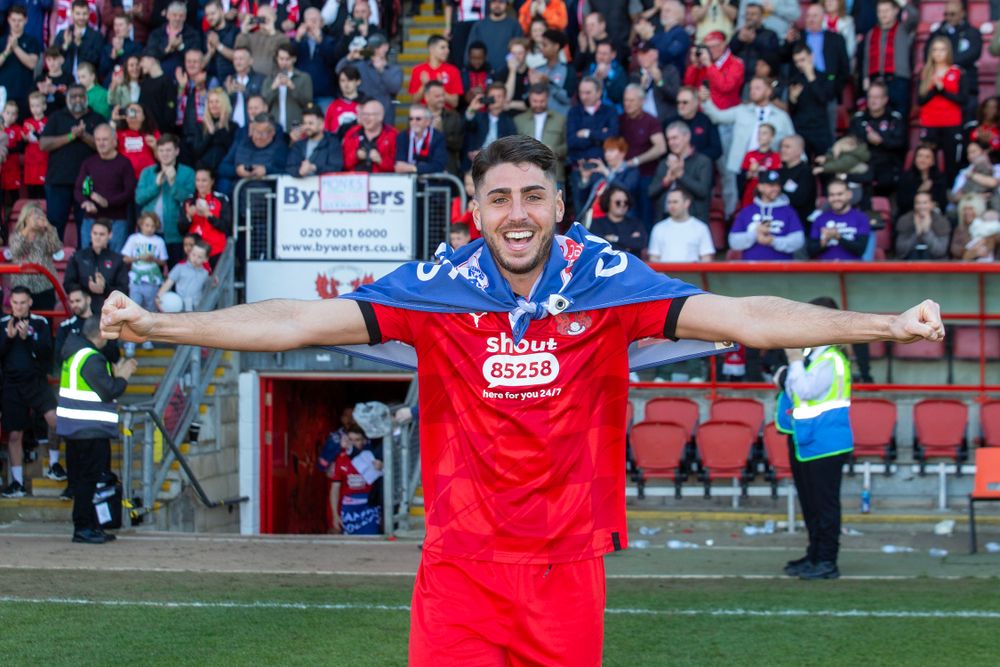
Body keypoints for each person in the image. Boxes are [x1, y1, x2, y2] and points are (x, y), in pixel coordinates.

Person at [100, 135, 946, 665]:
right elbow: (294, 319)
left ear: (560, 207)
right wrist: (165, 324)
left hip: (567, 565)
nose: (517, 212)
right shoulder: (437, 286)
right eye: (499, 196)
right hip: (460, 566)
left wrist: (885, 321)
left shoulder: (606, 280)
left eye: (533, 195)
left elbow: (746, 315)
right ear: (473, 209)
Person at [778, 296, 854, 580]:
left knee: (824, 504)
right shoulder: (816, 355)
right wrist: (793, 367)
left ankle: (826, 560)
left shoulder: (830, 358)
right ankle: (814, 554)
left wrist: (793, 362)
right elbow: (786, 382)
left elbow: (805, 390)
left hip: (826, 442)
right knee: (810, 502)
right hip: (809, 440)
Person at [57, 317, 136, 543]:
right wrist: (122, 376)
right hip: (89, 429)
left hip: (77, 428)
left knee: (84, 480)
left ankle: (89, 525)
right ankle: (83, 528)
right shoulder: (90, 357)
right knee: (87, 481)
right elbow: (108, 390)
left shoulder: (76, 353)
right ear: (101, 334)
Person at [700, 76, 791, 218]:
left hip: (770, 166)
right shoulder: (741, 110)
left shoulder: (781, 116)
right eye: (751, 88)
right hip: (741, 166)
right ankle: (733, 228)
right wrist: (706, 101)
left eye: (757, 88)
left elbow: (791, 140)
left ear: (768, 91)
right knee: (737, 205)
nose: (752, 91)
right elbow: (717, 117)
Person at [0, 286, 59, 498]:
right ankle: (17, 483)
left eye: (22, 303)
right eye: (15, 303)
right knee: (15, 434)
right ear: (10, 303)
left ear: (30, 302)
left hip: (36, 381)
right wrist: (9, 338)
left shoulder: (40, 323)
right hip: (12, 384)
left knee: (55, 420)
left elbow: (46, 353)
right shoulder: (2, 323)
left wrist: (28, 339)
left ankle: (54, 464)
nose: (18, 307)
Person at [39, 84, 103, 241]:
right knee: (55, 222)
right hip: (58, 180)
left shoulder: (97, 118)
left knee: (86, 223)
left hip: (87, 182)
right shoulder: (56, 117)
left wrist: (84, 136)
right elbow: (43, 144)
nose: (77, 99)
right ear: (67, 99)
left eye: (81, 96)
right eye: (73, 96)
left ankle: (85, 262)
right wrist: (70, 136)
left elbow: (104, 146)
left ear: (87, 98)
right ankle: (53, 259)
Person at [74, 124, 136, 252]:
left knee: (115, 260)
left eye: (105, 139)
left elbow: (129, 192)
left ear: (114, 141)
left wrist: (108, 202)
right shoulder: (88, 163)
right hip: (91, 219)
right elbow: (78, 189)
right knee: (87, 259)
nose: (101, 143)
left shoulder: (124, 163)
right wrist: (85, 202)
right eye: (98, 140)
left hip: (117, 220)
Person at [136, 134, 196, 262]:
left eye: (168, 150)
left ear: (177, 151)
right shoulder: (147, 172)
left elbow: (189, 199)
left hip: (176, 234)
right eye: (161, 150)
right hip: (150, 234)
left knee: (175, 272)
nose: (165, 154)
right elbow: (139, 198)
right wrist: (155, 185)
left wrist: (173, 182)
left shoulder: (188, 173)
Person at [917, 36, 968, 184]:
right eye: (935, 50)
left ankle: (950, 191)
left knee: (951, 161)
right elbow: (920, 100)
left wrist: (943, 90)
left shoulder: (958, 72)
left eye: (942, 49)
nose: (938, 53)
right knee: (927, 162)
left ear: (948, 52)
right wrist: (934, 89)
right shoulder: (925, 73)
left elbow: (963, 99)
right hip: (930, 122)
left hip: (951, 123)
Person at [120, 212, 168, 355]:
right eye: (147, 225)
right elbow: (125, 258)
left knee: (150, 310)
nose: (149, 228)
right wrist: (138, 258)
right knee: (133, 310)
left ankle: (147, 338)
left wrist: (153, 259)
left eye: (153, 226)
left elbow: (163, 261)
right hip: (136, 279)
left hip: (152, 281)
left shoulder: (159, 241)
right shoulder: (133, 239)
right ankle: (130, 343)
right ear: (141, 224)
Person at [619, 84, 667, 229]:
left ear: (642, 101)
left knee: (645, 213)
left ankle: (645, 247)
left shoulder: (650, 121)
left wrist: (636, 161)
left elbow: (661, 147)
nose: (627, 104)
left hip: (646, 175)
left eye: (632, 100)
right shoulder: (620, 120)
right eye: (626, 100)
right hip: (625, 175)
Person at [728, 169, 805, 260]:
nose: (776, 189)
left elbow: (799, 240)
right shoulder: (747, 211)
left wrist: (773, 241)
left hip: (782, 269)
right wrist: (755, 234)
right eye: (771, 185)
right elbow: (733, 241)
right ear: (760, 187)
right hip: (752, 269)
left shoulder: (788, 211)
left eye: (777, 185)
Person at [847, 81, 906, 197]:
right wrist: (866, 139)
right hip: (864, 162)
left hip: (887, 163)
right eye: (870, 97)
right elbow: (850, 142)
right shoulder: (858, 118)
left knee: (891, 179)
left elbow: (901, 143)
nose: (873, 101)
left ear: (885, 99)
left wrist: (881, 141)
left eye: (877, 97)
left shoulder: (894, 118)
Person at [649, 121, 714, 225]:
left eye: (675, 138)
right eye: (668, 139)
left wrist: (680, 175)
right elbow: (651, 192)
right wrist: (666, 181)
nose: (671, 142)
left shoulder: (703, 161)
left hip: (693, 222)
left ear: (687, 137)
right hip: (665, 222)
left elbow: (703, 191)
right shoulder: (664, 163)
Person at [861, 0, 916, 120]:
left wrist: (902, 3)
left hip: (898, 81)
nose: (883, 14)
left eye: (886, 11)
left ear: (895, 11)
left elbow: (914, 16)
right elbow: (867, 58)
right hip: (876, 81)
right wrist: (865, 77)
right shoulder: (871, 33)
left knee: (899, 119)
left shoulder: (903, 29)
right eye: (880, 11)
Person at [924, 1, 981, 116]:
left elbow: (973, 53)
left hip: (967, 88)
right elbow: (927, 54)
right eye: (946, 14)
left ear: (962, 13)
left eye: (952, 14)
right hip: (941, 90)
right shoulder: (937, 33)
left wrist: (946, 62)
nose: (948, 17)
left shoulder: (972, 32)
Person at [63, 219, 129, 315]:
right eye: (95, 233)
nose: (97, 237)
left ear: (110, 235)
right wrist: (87, 285)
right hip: (82, 313)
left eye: (102, 234)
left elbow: (124, 291)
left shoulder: (118, 260)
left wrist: (105, 288)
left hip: (109, 314)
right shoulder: (77, 257)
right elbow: (68, 284)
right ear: (90, 234)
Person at [338, 32, 402, 127]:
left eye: (377, 48)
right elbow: (339, 70)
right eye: (371, 48)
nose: (374, 51)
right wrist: (349, 58)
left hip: (385, 116)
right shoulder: (361, 65)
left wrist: (381, 70)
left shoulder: (393, 69)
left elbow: (394, 88)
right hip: (363, 115)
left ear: (386, 47)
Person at [329, 424, 383, 535]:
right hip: (349, 509)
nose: (353, 443)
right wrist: (335, 515)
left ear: (364, 441)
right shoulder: (340, 459)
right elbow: (334, 489)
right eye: (350, 440)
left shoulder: (371, 457)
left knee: (371, 542)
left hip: (370, 507)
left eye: (357, 440)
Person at [8, 203, 61, 311]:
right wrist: (28, 228)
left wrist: (49, 227)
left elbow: (56, 248)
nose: (37, 218)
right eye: (33, 215)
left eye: (39, 215)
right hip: (21, 288)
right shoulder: (16, 235)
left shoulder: (47, 234)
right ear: (25, 218)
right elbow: (16, 250)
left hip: (45, 287)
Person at [513, 84, 567, 190]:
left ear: (548, 99)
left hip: (554, 174)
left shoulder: (560, 119)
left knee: (557, 206)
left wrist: (554, 150)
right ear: (529, 98)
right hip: (526, 175)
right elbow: (512, 148)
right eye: (535, 101)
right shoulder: (518, 120)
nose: (538, 104)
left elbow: (569, 147)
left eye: (542, 101)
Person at [787, 43, 835, 158]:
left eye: (802, 60)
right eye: (796, 61)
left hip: (820, 130)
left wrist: (811, 78)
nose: (799, 64)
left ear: (811, 57)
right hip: (801, 130)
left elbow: (824, 99)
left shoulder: (825, 77)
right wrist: (792, 99)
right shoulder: (795, 80)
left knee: (824, 167)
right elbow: (791, 110)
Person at [55, 286, 121, 367]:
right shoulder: (65, 327)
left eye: (78, 301)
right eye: (71, 302)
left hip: (102, 373)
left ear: (88, 300)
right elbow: (59, 357)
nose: (74, 305)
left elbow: (115, 355)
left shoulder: (104, 323)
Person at [807, 179, 870, 260]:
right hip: (826, 269)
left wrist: (838, 237)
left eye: (840, 194)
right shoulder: (820, 219)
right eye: (832, 195)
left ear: (849, 195)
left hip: (853, 269)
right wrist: (825, 241)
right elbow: (810, 251)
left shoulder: (861, 218)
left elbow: (860, 249)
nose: (836, 198)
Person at [647, 187, 715, 262]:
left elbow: (706, 259)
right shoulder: (658, 228)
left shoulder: (701, 228)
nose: (671, 206)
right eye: (669, 202)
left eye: (675, 202)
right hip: (664, 274)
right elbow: (653, 259)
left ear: (687, 203)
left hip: (692, 273)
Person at [180, 170, 230, 268]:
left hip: (216, 250)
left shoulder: (221, 199)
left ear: (212, 181)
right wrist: (189, 216)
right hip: (194, 253)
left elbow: (226, 226)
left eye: (204, 180)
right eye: (197, 180)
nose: (200, 184)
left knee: (216, 282)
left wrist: (208, 215)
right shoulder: (189, 201)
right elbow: (181, 229)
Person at [0, 6, 42, 119]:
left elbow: (32, 64)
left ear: (26, 20)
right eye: (13, 20)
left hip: (24, 93)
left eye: (19, 20)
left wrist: (16, 48)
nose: (16, 24)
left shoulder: (32, 41)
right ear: (8, 20)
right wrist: (6, 52)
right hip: (3, 94)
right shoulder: (2, 41)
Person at [261, 43, 314, 132]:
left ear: (294, 59)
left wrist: (292, 87)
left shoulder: (304, 77)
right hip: (274, 124)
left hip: (296, 123)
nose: (284, 62)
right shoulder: (270, 79)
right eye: (281, 59)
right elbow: (263, 103)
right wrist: (274, 87)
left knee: (296, 145)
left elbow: (308, 103)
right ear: (277, 59)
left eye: (287, 59)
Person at [462, 83, 516, 169]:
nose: (495, 99)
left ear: (505, 99)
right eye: (492, 96)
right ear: (487, 97)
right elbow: (466, 125)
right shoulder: (478, 117)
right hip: (474, 164)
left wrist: (485, 154)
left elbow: (510, 146)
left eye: (499, 96)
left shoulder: (509, 122)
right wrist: (471, 109)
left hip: (498, 165)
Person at [294, 7, 338, 111]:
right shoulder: (299, 41)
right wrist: (297, 39)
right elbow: (289, 58)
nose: (312, 24)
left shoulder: (330, 41)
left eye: (315, 20)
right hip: (302, 95)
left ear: (322, 23)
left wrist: (320, 41)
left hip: (325, 95)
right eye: (309, 20)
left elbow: (332, 60)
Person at [145, 1, 203, 76]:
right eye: (174, 15)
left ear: (185, 17)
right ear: (167, 15)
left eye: (181, 16)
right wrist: (168, 48)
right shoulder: (156, 34)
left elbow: (196, 57)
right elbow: (150, 55)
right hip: (160, 77)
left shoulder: (192, 34)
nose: (177, 18)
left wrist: (180, 47)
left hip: (185, 76)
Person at [588, 185, 646, 257]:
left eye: (626, 202)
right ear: (608, 202)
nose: (622, 205)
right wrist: (628, 242)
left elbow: (640, 243)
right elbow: (598, 246)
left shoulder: (636, 223)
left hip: (631, 266)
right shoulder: (597, 223)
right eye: (618, 202)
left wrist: (614, 238)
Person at [667, 86, 721, 162]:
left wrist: (694, 156)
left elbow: (717, 150)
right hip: (676, 166)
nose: (680, 106)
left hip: (700, 168)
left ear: (696, 103)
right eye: (678, 102)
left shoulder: (707, 121)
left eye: (685, 102)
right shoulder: (670, 123)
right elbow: (664, 150)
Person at [341, 99, 397, 173]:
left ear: (380, 117)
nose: (366, 118)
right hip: (356, 180)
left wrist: (380, 160)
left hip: (382, 181)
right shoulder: (352, 133)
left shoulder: (393, 135)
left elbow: (398, 166)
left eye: (370, 115)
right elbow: (342, 164)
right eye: (364, 114)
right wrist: (356, 156)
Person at [287, 105, 344, 177]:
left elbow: (336, 167)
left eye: (310, 123)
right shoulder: (299, 144)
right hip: (302, 187)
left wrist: (314, 168)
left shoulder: (332, 142)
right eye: (304, 123)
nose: (307, 127)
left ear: (322, 125)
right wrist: (299, 172)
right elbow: (290, 167)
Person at [233, 5, 289, 79]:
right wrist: (244, 31)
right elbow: (239, 49)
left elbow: (281, 56)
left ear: (274, 18)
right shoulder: (252, 36)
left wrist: (272, 33)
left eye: (265, 17)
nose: (262, 20)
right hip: (254, 81)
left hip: (272, 79)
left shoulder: (282, 37)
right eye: (260, 17)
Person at [466, 0, 522, 73]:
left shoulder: (514, 25)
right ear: (489, 3)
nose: (497, 5)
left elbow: (520, 51)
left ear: (506, 4)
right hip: (483, 74)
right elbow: (469, 52)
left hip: (507, 73)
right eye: (494, 2)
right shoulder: (479, 26)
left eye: (501, 2)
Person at [409, 34, 463, 109]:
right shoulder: (418, 70)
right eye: (443, 48)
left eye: (448, 48)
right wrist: (424, 86)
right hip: (424, 116)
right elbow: (414, 101)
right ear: (431, 49)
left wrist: (440, 89)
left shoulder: (453, 71)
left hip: (445, 116)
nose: (447, 51)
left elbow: (455, 103)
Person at [187, 87, 234, 173]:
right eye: (211, 102)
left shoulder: (233, 126)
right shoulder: (200, 126)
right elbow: (197, 152)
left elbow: (232, 151)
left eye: (217, 101)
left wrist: (221, 128)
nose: (213, 105)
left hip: (223, 169)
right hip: (204, 170)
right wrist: (210, 133)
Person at [157, 239, 211, 312]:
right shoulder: (180, 267)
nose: (195, 258)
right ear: (189, 253)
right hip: (179, 306)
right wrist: (158, 297)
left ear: (206, 259)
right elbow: (168, 283)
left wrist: (213, 282)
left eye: (199, 257)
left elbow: (208, 288)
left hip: (197, 308)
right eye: (193, 254)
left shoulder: (205, 273)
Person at [895, 191, 951, 261]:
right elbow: (901, 250)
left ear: (931, 204)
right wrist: (917, 232)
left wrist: (927, 231)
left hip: (935, 263)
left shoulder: (941, 221)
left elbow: (940, 251)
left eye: (925, 203)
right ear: (914, 205)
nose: (921, 206)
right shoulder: (905, 220)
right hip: (910, 262)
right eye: (918, 203)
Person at [897, 142, 948, 216]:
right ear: (915, 160)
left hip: (933, 215)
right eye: (919, 156)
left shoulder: (939, 178)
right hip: (910, 214)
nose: (922, 160)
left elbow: (943, 203)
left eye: (927, 157)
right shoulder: (906, 177)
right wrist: (920, 190)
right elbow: (901, 204)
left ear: (933, 162)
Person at [55, 0, 102, 78]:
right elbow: (54, 57)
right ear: (72, 13)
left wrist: (80, 45)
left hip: (87, 81)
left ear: (89, 14)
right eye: (78, 13)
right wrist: (65, 45)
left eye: (84, 14)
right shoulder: (62, 34)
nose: (81, 17)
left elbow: (96, 60)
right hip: (66, 81)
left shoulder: (96, 36)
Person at [778, 134, 818, 226]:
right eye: (782, 146)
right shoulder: (780, 171)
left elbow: (800, 199)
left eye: (787, 147)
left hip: (799, 222)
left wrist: (778, 194)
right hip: (781, 219)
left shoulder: (806, 172)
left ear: (799, 150)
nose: (782, 150)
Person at [396, 104, 447, 175]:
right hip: (408, 181)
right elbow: (400, 166)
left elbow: (438, 166)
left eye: (418, 119)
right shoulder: (403, 137)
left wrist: (413, 168)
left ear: (428, 122)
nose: (414, 122)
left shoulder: (437, 137)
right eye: (411, 119)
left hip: (431, 182)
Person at [225, 46, 265, 128]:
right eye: (235, 59)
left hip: (253, 125)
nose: (237, 62)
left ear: (250, 61)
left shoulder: (261, 79)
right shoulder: (229, 80)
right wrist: (228, 94)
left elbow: (264, 101)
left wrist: (245, 91)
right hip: (232, 125)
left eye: (241, 59)